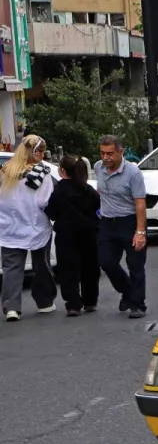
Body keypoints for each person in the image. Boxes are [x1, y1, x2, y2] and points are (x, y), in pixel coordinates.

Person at [0, 134, 56, 321]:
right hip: (36, 225)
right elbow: (43, 201)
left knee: (12, 268)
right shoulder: (42, 173)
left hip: (10, 227)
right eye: (38, 151)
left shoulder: (5, 171)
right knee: (42, 265)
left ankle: (11, 307)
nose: (41, 154)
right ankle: (45, 302)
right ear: (31, 151)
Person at [95, 134, 148, 319]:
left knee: (135, 265)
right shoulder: (98, 168)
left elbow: (140, 203)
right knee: (106, 262)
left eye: (110, 153)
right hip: (108, 223)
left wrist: (140, 232)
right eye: (102, 153)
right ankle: (127, 291)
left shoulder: (133, 172)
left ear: (120, 152)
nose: (106, 157)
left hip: (130, 221)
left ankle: (138, 304)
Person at [47, 154, 101, 317]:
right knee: (90, 267)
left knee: (68, 270)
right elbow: (97, 209)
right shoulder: (88, 189)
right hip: (89, 233)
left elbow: (52, 212)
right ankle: (90, 301)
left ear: (62, 170)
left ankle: (73, 304)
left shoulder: (58, 190)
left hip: (66, 234)